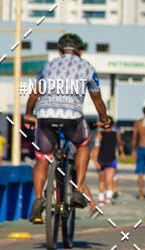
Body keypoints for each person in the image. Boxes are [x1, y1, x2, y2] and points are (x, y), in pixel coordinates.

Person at [24, 32, 111, 224]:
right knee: (83, 144)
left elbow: (34, 94)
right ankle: (78, 189)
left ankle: (38, 201)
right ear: (80, 51)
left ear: (60, 50)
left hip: (45, 116)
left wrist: (29, 113)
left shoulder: (48, 66)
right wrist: (103, 118)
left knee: (42, 157)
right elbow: (97, 98)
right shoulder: (86, 67)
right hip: (72, 117)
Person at [91, 116, 124, 206]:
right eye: (104, 123)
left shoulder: (115, 133)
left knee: (110, 180)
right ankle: (101, 198)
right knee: (102, 180)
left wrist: (121, 151)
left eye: (108, 123)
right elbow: (96, 148)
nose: (106, 125)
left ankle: (108, 197)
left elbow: (119, 143)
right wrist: (95, 161)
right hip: (101, 159)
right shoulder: (99, 134)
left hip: (111, 159)